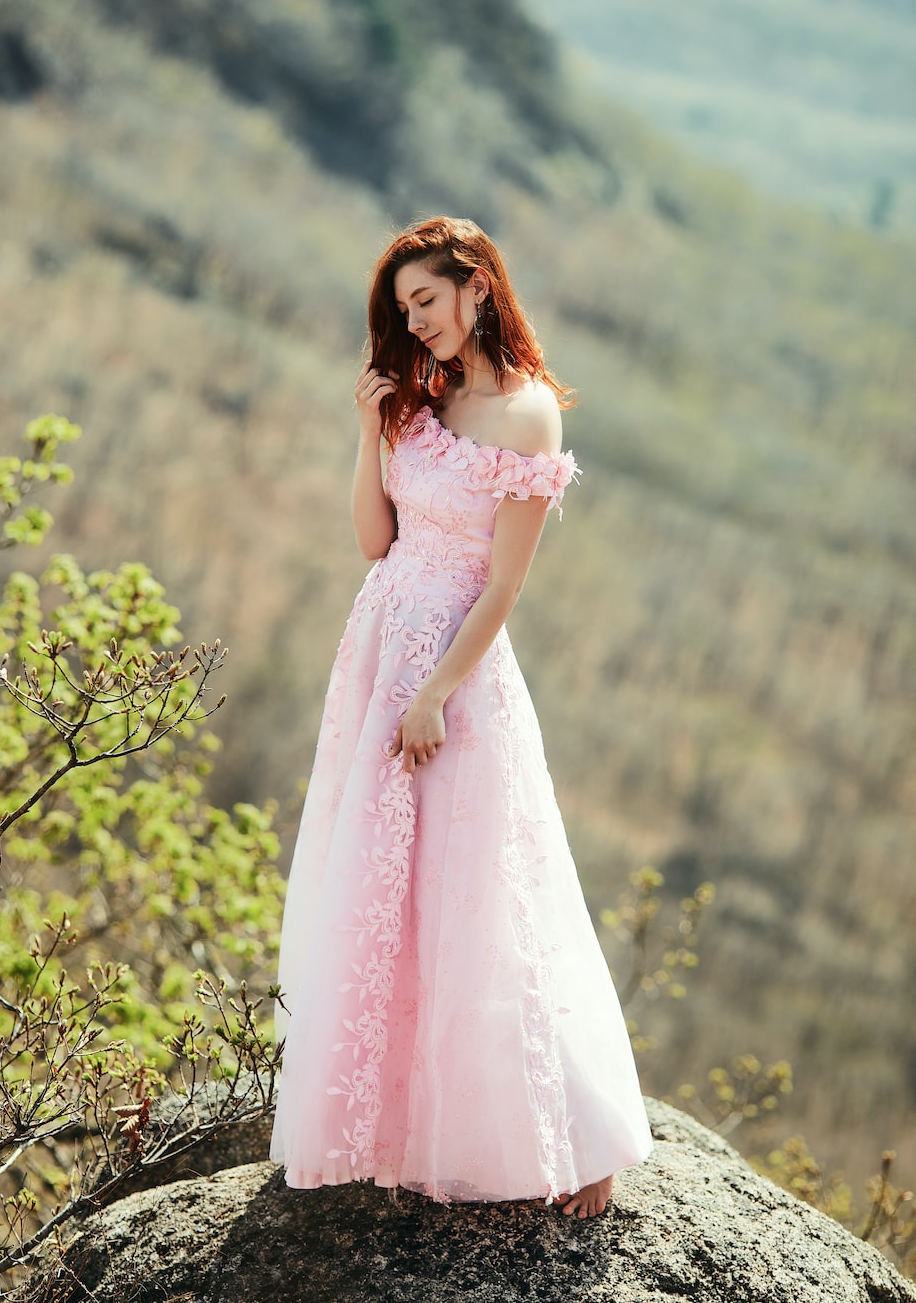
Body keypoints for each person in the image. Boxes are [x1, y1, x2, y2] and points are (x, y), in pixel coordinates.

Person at [269, 217, 652, 1217]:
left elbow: (503, 586)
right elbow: (372, 540)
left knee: (485, 897)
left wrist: (435, 690)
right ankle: (397, 1120)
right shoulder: (418, 399)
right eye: (403, 311)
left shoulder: (529, 415)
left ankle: (580, 1140)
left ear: (477, 287)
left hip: (457, 673)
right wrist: (369, 431)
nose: (417, 323)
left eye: (428, 301)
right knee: (386, 891)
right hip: (379, 647)